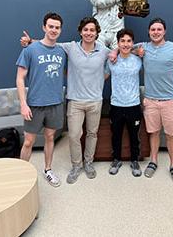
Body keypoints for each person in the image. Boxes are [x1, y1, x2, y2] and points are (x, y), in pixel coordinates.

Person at [21, 17, 110, 184]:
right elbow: (47, 44)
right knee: (74, 135)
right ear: (80, 32)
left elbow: (121, 52)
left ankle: (88, 163)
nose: (89, 33)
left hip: (95, 101)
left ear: (97, 32)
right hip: (75, 101)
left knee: (92, 134)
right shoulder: (70, 47)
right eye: (85, 30)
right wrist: (30, 41)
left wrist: (99, 80)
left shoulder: (104, 50)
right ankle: (77, 165)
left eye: (92, 30)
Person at [16, 12, 66, 187]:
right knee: (29, 141)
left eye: (57, 27)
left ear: (60, 30)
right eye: (50, 26)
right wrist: (23, 103)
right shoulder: (30, 50)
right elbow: (20, 78)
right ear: (44, 27)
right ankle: (22, 173)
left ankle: (48, 170)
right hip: (35, 104)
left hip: (55, 102)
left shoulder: (61, 51)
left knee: (50, 137)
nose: (53, 30)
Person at [139, 17, 173, 184]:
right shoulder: (143, 48)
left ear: (164, 31)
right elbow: (124, 47)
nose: (156, 32)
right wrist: (116, 52)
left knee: (171, 136)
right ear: (148, 31)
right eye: (153, 29)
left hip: (170, 101)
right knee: (153, 133)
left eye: (159, 29)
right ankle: (153, 161)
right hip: (151, 101)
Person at [105, 28, 143, 177]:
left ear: (132, 42)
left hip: (133, 104)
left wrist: (135, 51)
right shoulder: (111, 60)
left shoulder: (139, 59)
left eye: (129, 41)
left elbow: (143, 47)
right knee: (116, 135)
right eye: (122, 41)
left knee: (134, 136)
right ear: (118, 43)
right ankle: (116, 160)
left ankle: (134, 160)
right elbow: (104, 77)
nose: (126, 44)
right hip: (116, 105)